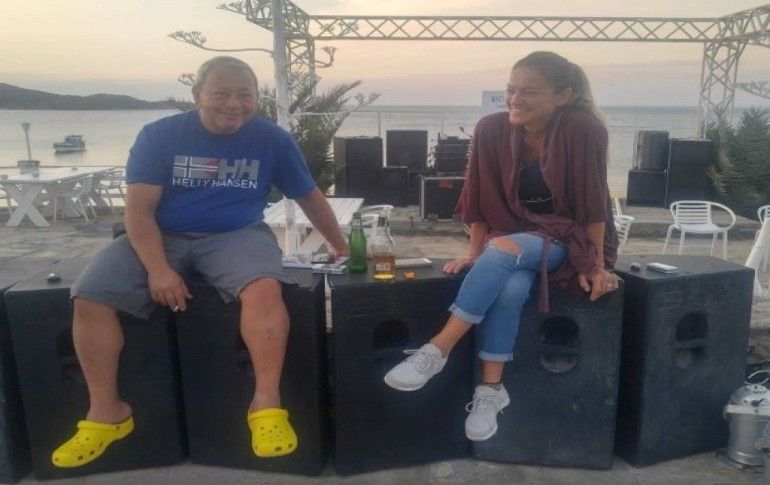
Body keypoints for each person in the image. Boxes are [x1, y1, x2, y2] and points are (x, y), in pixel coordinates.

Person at [51, 56, 349, 467]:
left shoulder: (273, 140)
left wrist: (341, 245)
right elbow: (138, 211)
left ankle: (266, 406)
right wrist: (158, 269)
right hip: (161, 233)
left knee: (265, 287)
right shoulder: (159, 136)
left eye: (245, 95)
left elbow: (308, 196)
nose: (234, 104)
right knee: (90, 295)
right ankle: (107, 412)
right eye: (221, 93)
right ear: (197, 95)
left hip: (236, 233)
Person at [384, 51, 620, 441]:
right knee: (509, 288)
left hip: (568, 239)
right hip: (510, 240)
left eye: (529, 92)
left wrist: (594, 264)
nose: (515, 99)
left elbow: (594, 205)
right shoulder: (491, 130)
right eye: (511, 90)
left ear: (562, 95)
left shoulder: (583, 129)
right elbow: (479, 197)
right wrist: (474, 254)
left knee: (504, 250)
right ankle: (491, 391)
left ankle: (438, 349)